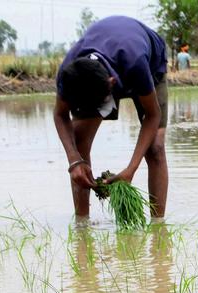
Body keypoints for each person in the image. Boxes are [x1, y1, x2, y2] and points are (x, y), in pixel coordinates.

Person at [52, 15, 169, 219]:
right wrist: (74, 161)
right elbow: (60, 114)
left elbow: (153, 115)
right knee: (79, 142)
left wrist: (131, 169)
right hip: (95, 79)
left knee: (155, 148)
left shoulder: (136, 64)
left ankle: (158, 227)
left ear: (112, 83)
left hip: (149, 64)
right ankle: (83, 224)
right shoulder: (70, 74)